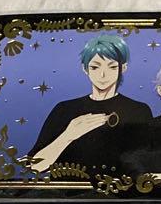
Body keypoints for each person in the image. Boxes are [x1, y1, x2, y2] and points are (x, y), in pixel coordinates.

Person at [26, 34, 150, 173]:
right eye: (95, 67)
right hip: (68, 185)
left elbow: (147, 165)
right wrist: (68, 136)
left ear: (124, 68)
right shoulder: (64, 109)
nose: (103, 75)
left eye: (112, 67)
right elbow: (34, 166)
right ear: (85, 69)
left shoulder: (138, 110)